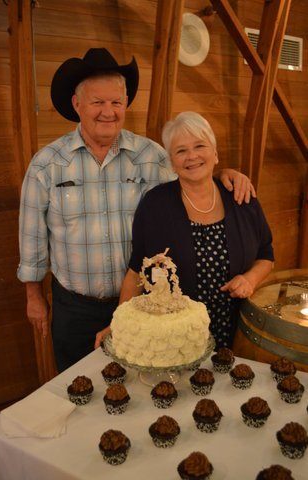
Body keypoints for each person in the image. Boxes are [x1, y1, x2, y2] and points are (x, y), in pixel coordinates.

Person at [18, 49, 256, 372]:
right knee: (79, 392)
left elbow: (192, 181)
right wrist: (34, 296)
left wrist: (225, 175)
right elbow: (32, 238)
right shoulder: (46, 165)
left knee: (140, 394)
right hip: (74, 310)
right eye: (97, 102)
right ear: (77, 105)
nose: (108, 112)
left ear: (126, 103)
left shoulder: (152, 156)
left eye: (116, 102)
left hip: (142, 306)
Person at [96, 112, 274, 349]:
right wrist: (119, 322)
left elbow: (266, 254)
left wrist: (249, 279)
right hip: (173, 339)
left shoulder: (241, 197)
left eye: (200, 146)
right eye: (181, 150)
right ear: (171, 162)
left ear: (215, 154)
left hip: (237, 334)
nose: (192, 156)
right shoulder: (155, 205)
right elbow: (137, 270)